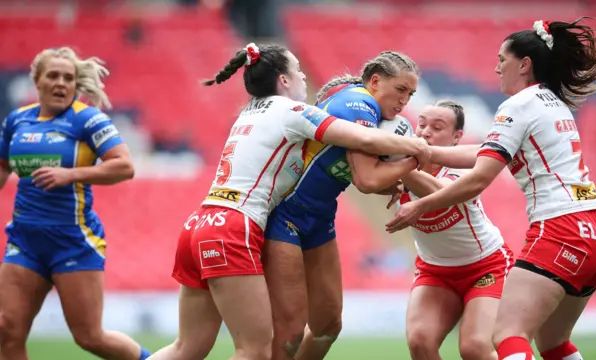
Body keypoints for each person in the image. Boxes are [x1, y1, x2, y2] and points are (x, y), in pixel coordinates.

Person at [149, 43, 431, 360]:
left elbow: (341, 165)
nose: (304, 77)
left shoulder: (249, 113)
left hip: (201, 222)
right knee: (257, 350)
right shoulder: (293, 112)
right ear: (284, 80)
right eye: (298, 70)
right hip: (237, 226)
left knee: (188, 348)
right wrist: (419, 150)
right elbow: (363, 141)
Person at [386, 18, 596, 360]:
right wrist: (426, 153)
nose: (496, 69)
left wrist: (418, 205)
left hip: (561, 228)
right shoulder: (551, 102)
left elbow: (480, 178)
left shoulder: (518, 106)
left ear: (524, 64)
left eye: (501, 60)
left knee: (505, 334)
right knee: (553, 344)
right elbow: (484, 154)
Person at [264, 51, 420, 360]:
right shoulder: (358, 105)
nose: (405, 101)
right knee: (291, 330)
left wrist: (394, 180)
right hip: (286, 214)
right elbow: (365, 180)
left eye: (411, 94)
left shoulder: (371, 113)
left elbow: (358, 173)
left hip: (320, 217)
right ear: (375, 82)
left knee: (327, 326)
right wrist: (417, 156)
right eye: (400, 90)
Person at [0, 47, 148, 359]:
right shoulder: (17, 121)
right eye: (53, 76)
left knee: (90, 337)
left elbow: (124, 166)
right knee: (6, 330)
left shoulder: (87, 119)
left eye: (68, 78)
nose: (61, 83)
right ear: (37, 81)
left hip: (72, 240)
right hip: (25, 240)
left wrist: (70, 175)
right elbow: (3, 166)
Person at [397, 101, 513, 360]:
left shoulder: (464, 167)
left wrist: (395, 162)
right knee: (420, 342)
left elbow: (440, 193)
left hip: (485, 267)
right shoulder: (398, 167)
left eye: (437, 127)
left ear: (456, 138)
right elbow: (365, 179)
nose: (425, 132)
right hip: (434, 270)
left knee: (474, 348)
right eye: (422, 123)